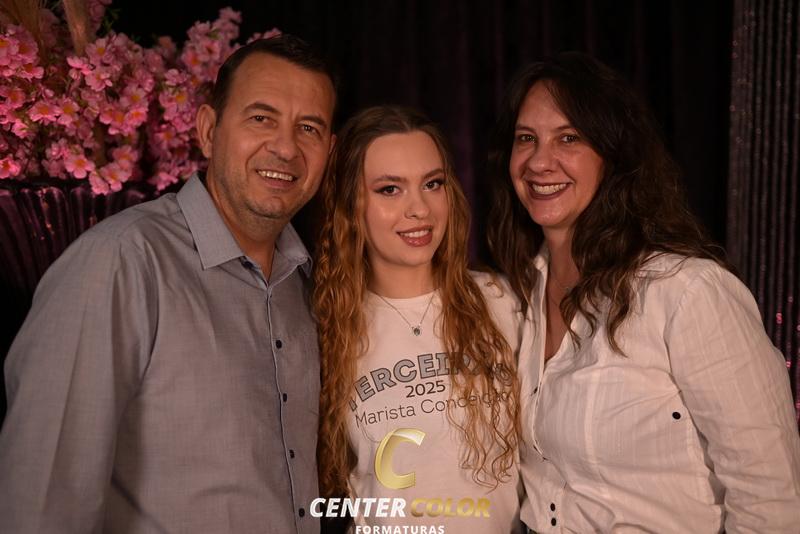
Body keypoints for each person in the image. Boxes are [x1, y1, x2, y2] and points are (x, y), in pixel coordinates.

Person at [0, 35, 336, 533]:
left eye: (308, 128)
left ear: (329, 151)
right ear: (208, 131)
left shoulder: (309, 287)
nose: (286, 148)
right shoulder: (120, 263)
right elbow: (43, 503)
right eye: (261, 118)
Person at [486, 51, 800, 532]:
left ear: (613, 156)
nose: (539, 161)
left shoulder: (686, 291)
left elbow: (772, 495)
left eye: (569, 138)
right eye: (526, 138)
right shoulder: (518, 296)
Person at [314, 106, 525, 531]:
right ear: (351, 205)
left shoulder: (503, 301)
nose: (419, 209)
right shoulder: (328, 326)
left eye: (432, 184)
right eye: (390, 189)